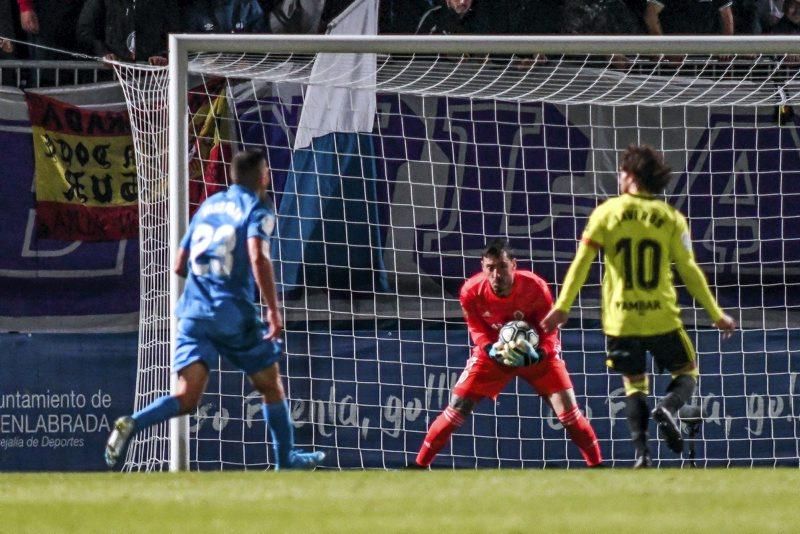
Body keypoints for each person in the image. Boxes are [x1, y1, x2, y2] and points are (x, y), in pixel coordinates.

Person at [104, 150, 325, 470]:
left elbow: (179, 264)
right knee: (270, 384)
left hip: (193, 312)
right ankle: (286, 460)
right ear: (263, 177)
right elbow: (258, 256)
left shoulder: (209, 205)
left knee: (187, 397)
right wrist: (273, 311)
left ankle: (133, 423)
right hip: (231, 312)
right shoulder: (257, 209)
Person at [541, 144, 736, 468]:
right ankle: (669, 408)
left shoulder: (606, 213)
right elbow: (689, 271)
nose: (619, 177)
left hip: (621, 319)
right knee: (688, 372)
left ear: (631, 176)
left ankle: (642, 455)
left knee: (634, 383)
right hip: (660, 316)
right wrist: (715, 314)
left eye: (621, 172)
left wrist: (563, 306)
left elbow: (581, 263)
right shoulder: (670, 219)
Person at [412, 239, 603, 469]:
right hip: (494, 352)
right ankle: (419, 466)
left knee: (568, 410)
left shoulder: (535, 287)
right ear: (482, 267)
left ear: (513, 265)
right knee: (457, 405)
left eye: (502, 266)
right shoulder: (470, 291)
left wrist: (540, 353)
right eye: (490, 268)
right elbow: (475, 327)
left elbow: (550, 329)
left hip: (536, 353)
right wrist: (488, 348)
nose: (496, 274)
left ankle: (597, 465)